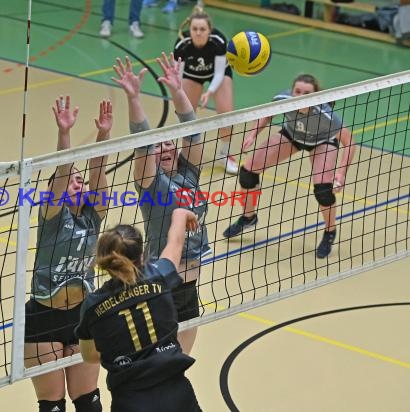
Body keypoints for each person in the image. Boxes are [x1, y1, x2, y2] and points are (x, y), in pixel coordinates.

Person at [112, 52, 210, 354]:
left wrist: (178, 90)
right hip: (160, 287)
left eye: (169, 142)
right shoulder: (150, 184)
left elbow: (191, 132)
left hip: (189, 290)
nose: (164, 146)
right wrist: (134, 97)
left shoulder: (189, 175)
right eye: (159, 145)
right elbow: (142, 141)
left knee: (180, 365)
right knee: (155, 363)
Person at [24, 96, 112, 412]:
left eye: (80, 180)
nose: (77, 182)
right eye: (71, 181)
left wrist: (102, 135)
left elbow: (99, 169)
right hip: (42, 320)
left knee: (88, 403)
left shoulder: (94, 215)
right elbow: (62, 174)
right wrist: (64, 134)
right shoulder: (51, 216)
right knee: (53, 406)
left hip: (81, 317)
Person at [76, 209, 203, 412]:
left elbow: (89, 356)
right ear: (141, 256)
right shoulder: (159, 276)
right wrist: (179, 215)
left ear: (105, 263)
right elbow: (175, 244)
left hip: (131, 403)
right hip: (178, 396)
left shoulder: (93, 305)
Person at [223, 74, 357, 259]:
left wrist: (341, 174)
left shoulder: (327, 115)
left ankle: (329, 231)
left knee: (323, 191)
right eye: (298, 92)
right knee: (247, 171)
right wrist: (253, 134)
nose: (301, 96)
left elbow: (349, 143)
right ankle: (248, 217)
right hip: (292, 136)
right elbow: (268, 115)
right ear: (292, 91)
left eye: (307, 93)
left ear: (316, 95)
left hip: (322, 142)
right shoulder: (283, 99)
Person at [173, 6, 239, 174]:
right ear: (190, 29)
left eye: (203, 29)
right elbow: (177, 78)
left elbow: (218, 73)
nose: (198, 32)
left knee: (226, 113)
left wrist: (209, 92)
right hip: (191, 74)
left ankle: (225, 154)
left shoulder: (218, 41)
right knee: (187, 115)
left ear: (210, 30)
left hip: (218, 73)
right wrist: (178, 95)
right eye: (195, 29)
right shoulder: (182, 44)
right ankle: (189, 155)